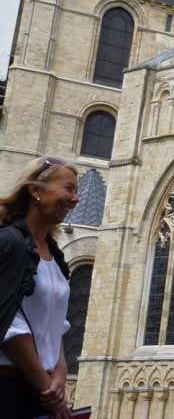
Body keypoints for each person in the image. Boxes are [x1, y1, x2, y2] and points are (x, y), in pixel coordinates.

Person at [0, 156, 79, 419]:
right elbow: (9, 325)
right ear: (35, 190)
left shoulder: (55, 255)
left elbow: (54, 324)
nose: (75, 199)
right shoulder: (9, 244)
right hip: (9, 386)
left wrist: (60, 373)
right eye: (68, 189)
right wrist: (47, 388)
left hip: (41, 389)